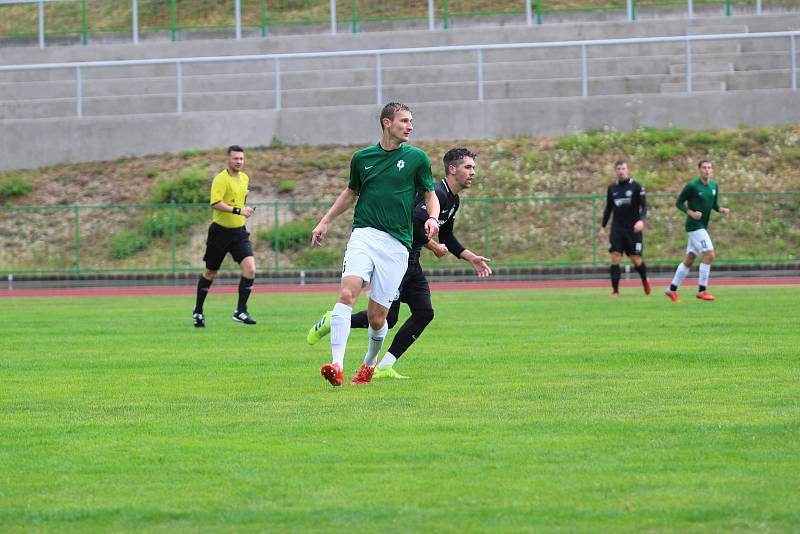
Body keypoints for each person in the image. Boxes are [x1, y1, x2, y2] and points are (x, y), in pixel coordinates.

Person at [307, 148, 492, 379]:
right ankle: (332, 321)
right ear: (452, 169)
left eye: (473, 167)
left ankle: (384, 365)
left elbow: (446, 237)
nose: (473, 172)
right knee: (386, 318)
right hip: (398, 256)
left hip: (412, 264)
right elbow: (414, 223)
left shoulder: (453, 200)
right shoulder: (436, 192)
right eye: (468, 167)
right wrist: (432, 246)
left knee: (424, 312)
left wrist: (470, 256)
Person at [309, 102, 440, 387]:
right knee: (346, 293)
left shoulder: (417, 159)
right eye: (404, 121)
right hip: (364, 235)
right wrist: (325, 220)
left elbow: (430, 194)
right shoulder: (362, 158)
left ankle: (368, 365)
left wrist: (433, 218)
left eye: (411, 121)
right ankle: (337, 365)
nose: (410, 126)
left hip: (397, 246)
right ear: (386, 123)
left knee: (378, 317)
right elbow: (350, 192)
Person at [192, 145, 258, 327]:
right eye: (235, 158)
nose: (239, 162)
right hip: (219, 232)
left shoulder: (245, 178)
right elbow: (215, 203)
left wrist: (245, 211)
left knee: (250, 268)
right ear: (228, 160)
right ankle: (198, 311)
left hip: (239, 233)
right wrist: (238, 210)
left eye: (241, 159)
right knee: (211, 272)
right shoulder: (220, 179)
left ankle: (241, 311)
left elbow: (240, 202)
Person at [665, 160, 730, 302]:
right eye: (704, 168)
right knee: (710, 254)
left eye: (709, 168)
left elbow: (713, 203)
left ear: (712, 170)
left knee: (689, 259)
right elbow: (679, 202)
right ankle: (702, 290)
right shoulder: (692, 186)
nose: (707, 170)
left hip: (702, 226)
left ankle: (671, 289)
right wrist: (691, 213)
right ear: (699, 170)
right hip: (694, 226)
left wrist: (720, 209)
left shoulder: (714, 186)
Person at [597, 160, 650, 297]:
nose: (621, 171)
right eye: (619, 169)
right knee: (615, 257)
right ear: (616, 171)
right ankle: (615, 291)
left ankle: (644, 280)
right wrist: (602, 227)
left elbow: (644, 207)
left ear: (628, 170)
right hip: (617, 228)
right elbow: (608, 209)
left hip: (633, 229)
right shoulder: (612, 188)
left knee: (636, 259)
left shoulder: (636, 186)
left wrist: (641, 221)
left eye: (624, 168)